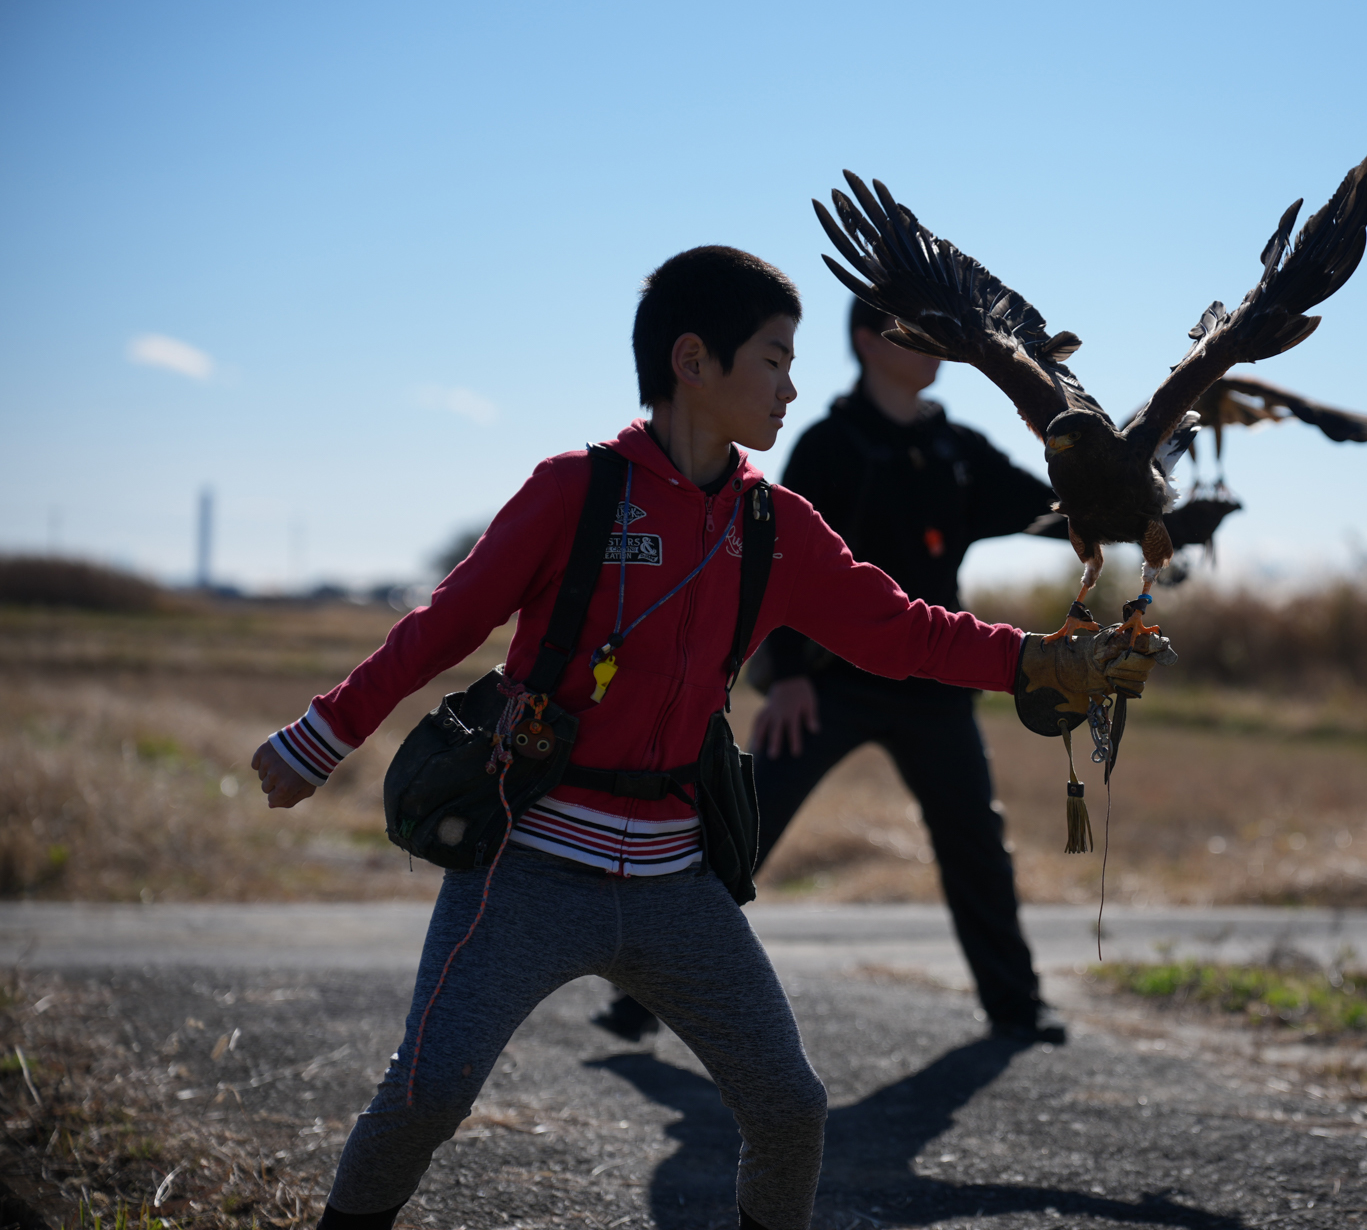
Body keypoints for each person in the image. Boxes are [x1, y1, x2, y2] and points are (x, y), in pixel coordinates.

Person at [249, 247, 1164, 1230]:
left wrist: (1038, 661)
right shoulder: (575, 491)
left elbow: (900, 628)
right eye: (774, 357)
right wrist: (320, 734)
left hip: (676, 886)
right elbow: (445, 623)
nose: (792, 382)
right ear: (693, 359)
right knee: (429, 1093)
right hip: (524, 866)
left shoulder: (776, 524)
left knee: (791, 1109)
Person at [591, 296, 1069, 1048]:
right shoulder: (829, 446)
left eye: (942, 334)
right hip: (824, 687)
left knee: (975, 841)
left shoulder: (958, 450)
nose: (936, 347)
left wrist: (1145, 513)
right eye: (919, 331)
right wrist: (783, 677)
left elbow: (1055, 507)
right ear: (865, 342)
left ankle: (1017, 1008)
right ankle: (638, 997)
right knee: (740, 833)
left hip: (933, 685)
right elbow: (769, 567)